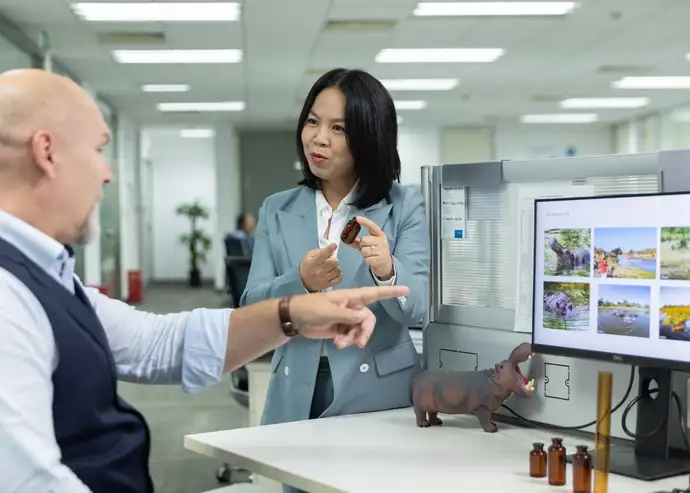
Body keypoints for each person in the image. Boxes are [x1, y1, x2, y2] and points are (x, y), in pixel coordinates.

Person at [0, 68, 409, 493]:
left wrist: (293, 313)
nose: (108, 173)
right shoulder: (7, 297)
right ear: (46, 152)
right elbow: (28, 482)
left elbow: (156, 343)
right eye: (99, 149)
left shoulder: (43, 275)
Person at [240, 67, 430, 490]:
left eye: (338, 128)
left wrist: (388, 269)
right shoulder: (277, 208)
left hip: (378, 393)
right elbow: (250, 306)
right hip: (297, 388)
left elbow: (419, 306)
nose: (318, 138)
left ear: (370, 136)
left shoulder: (405, 206)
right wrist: (300, 282)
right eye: (312, 121)